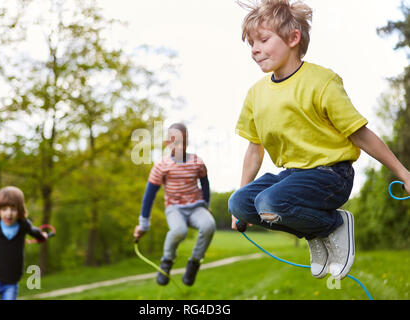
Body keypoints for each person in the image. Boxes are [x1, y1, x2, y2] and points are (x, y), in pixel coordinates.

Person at [228, 0, 410, 280]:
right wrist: (241, 207)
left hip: (331, 175)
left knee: (269, 203)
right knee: (239, 202)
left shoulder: (321, 82)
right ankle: (317, 232)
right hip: (292, 177)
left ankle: (332, 225)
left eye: (263, 39)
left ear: (293, 38)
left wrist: (402, 172)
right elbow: (254, 149)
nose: (254, 49)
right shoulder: (255, 94)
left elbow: (358, 132)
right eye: (251, 42)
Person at [133, 123, 216, 286]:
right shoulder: (162, 166)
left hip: (196, 206)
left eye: (183, 142)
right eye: (175, 142)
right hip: (174, 208)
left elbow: (205, 183)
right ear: (167, 143)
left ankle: (194, 263)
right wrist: (143, 224)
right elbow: (149, 195)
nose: (180, 146)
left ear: (188, 142)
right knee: (179, 231)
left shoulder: (196, 162)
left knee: (209, 226)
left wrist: (206, 204)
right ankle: (167, 261)